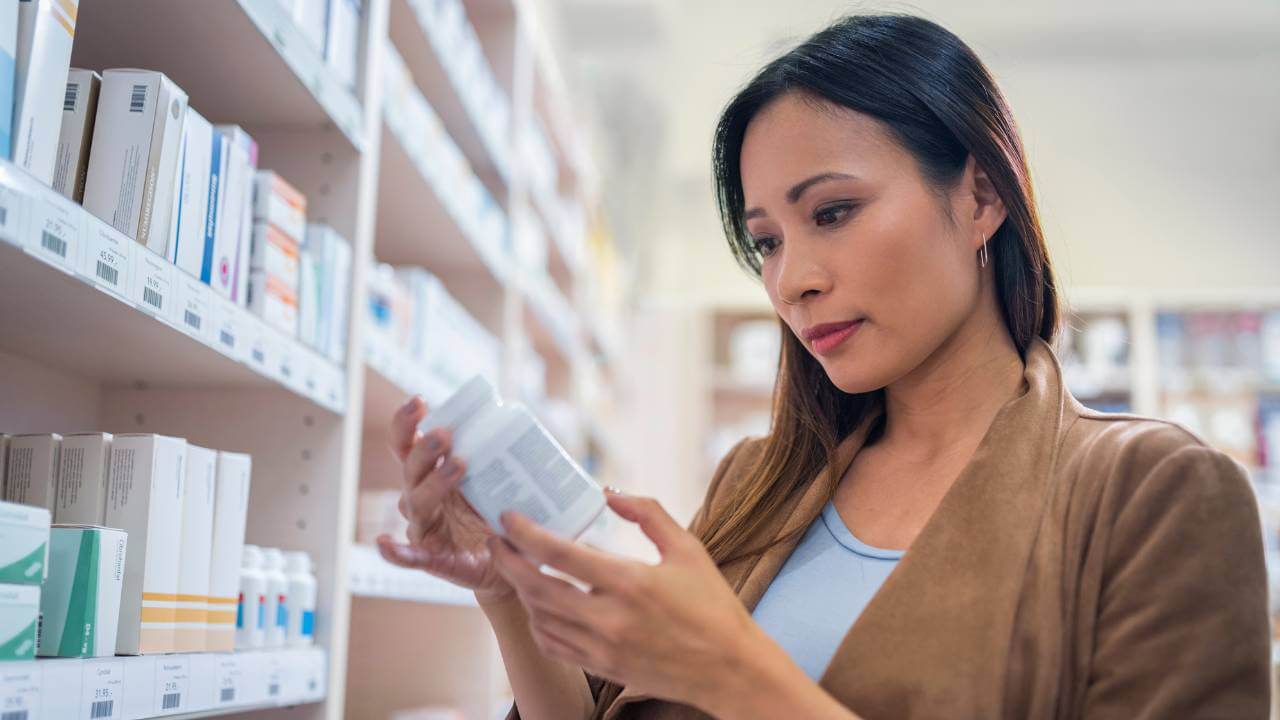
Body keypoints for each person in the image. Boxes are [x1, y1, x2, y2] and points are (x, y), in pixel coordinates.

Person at [377, 13, 1270, 720]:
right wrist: (505, 594)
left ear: (982, 196)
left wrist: (739, 678)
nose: (791, 281)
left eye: (834, 212)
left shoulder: (1156, 495)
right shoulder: (755, 485)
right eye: (765, 241)